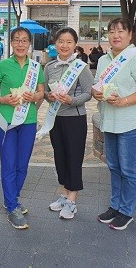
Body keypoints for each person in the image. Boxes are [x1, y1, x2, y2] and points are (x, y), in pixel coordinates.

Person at [92, 18, 136, 231]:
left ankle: (126, 211)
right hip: (110, 121)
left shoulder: (135, 58)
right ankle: (115, 206)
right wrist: (96, 92)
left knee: (129, 169)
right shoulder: (103, 60)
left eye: (121, 31)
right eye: (111, 31)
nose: (115, 35)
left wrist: (123, 101)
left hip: (132, 123)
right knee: (114, 166)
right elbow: (97, 86)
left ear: (130, 35)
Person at [0, 27, 45, 229]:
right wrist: (3, 99)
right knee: (8, 163)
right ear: (11, 43)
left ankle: (11, 197)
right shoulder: (2, 65)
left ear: (30, 43)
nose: (20, 44)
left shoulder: (36, 67)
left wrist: (35, 97)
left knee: (22, 165)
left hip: (28, 121)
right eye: (16, 40)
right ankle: (12, 205)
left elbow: (41, 91)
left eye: (24, 40)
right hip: (8, 122)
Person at [42, 28, 93, 220]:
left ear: (75, 45)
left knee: (74, 157)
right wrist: (50, 96)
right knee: (60, 157)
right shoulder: (49, 67)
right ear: (55, 44)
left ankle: (72, 200)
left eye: (69, 42)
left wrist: (71, 100)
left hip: (75, 119)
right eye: (61, 41)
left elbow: (89, 92)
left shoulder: (81, 66)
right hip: (56, 119)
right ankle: (64, 194)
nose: (64, 45)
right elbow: (46, 92)